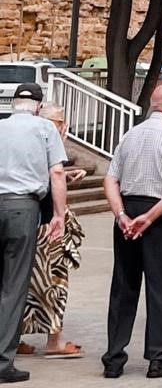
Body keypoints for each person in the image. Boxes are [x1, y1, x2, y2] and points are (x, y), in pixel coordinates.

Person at [102, 83, 162, 379]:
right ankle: (158, 356)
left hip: (128, 212)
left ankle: (114, 358)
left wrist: (122, 215)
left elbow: (110, 180)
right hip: (160, 216)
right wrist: (150, 217)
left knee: (124, 286)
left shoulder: (129, 136)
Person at [0, 82, 66, 386]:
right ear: (39, 106)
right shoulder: (44, 129)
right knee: (14, 286)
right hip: (22, 208)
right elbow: (56, 172)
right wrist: (59, 214)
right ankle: (3, 361)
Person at [15, 102, 80, 363]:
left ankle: (13, 337)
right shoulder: (47, 143)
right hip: (46, 225)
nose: (64, 127)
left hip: (28, 220)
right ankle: (54, 341)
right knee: (54, 282)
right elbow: (52, 175)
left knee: (20, 283)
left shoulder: (26, 144)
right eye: (59, 121)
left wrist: (69, 174)